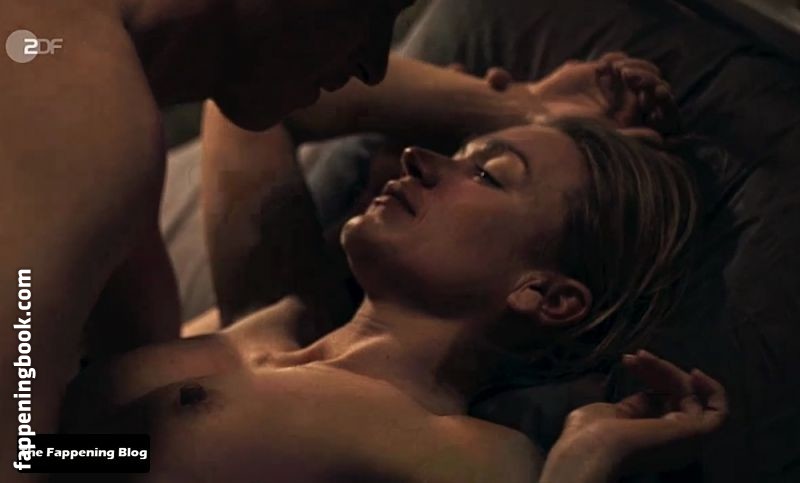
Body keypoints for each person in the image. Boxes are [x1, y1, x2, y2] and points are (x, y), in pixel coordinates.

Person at [60, 111, 726, 482]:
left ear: (546, 295)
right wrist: (516, 101)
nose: (417, 157)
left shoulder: (461, 449)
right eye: (458, 151)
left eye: (487, 174)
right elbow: (250, 105)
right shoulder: (272, 314)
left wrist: (584, 461)